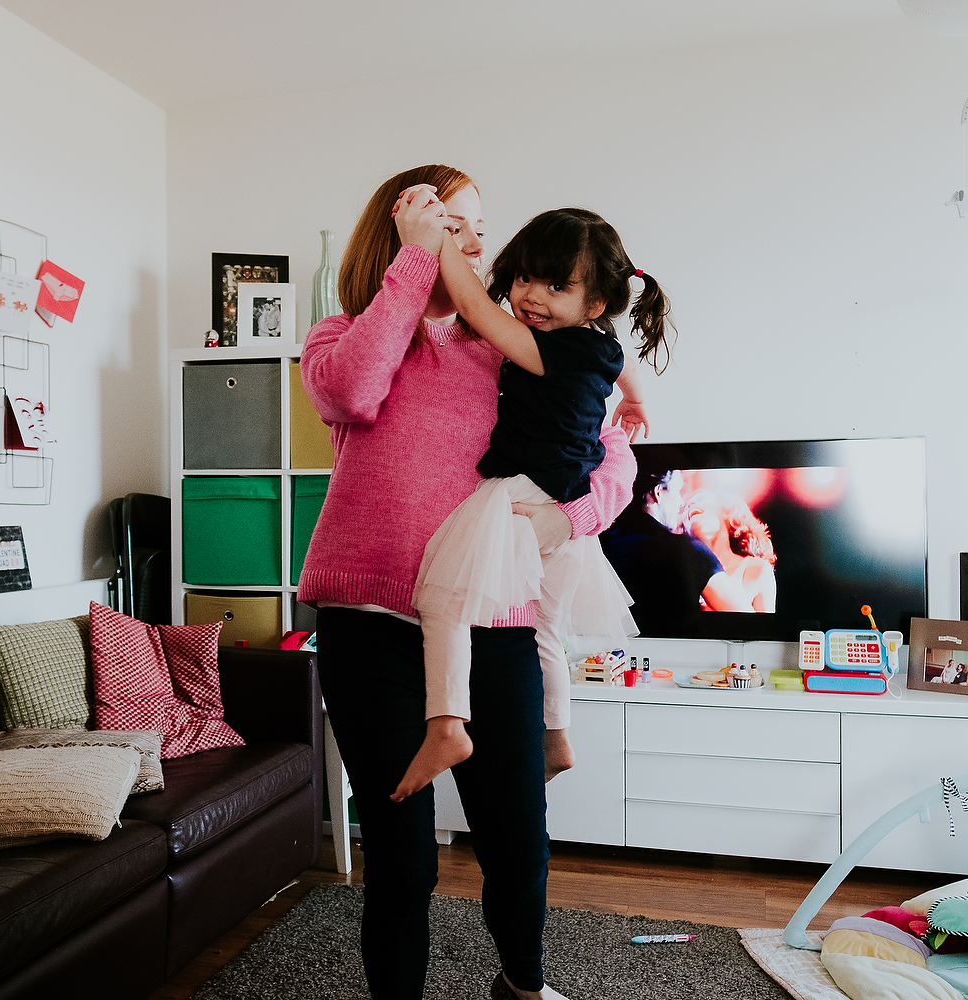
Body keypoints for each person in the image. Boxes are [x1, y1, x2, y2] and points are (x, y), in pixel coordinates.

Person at [298, 165, 635, 1000]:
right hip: (369, 625)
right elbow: (352, 389)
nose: (476, 240)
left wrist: (570, 517)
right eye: (453, 224)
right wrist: (414, 267)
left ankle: (522, 985)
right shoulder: (343, 333)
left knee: (519, 839)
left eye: (478, 225)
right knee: (403, 859)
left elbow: (611, 456)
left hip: (495, 623)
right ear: (407, 234)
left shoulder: (511, 346)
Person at [393, 207, 671, 803]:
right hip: (571, 508)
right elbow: (625, 370)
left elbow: (473, 308)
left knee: (441, 597)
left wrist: (438, 245)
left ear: (594, 305)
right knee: (546, 627)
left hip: (523, 491)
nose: (530, 297)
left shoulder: (554, 349)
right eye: (523, 278)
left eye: (555, 287)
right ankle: (557, 736)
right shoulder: (598, 346)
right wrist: (635, 403)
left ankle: (446, 724)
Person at [600, 469, 748, 635]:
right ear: (658, 493)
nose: (681, 503)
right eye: (677, 490)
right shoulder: (689, 549)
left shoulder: (606, 543)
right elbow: (747, 619)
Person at [684, 492, 778, 612]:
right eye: (686, 506)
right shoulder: (683, 570)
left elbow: (766, 629)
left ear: (727, 512)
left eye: (701, 498)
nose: (690, 505)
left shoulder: (757, 568)